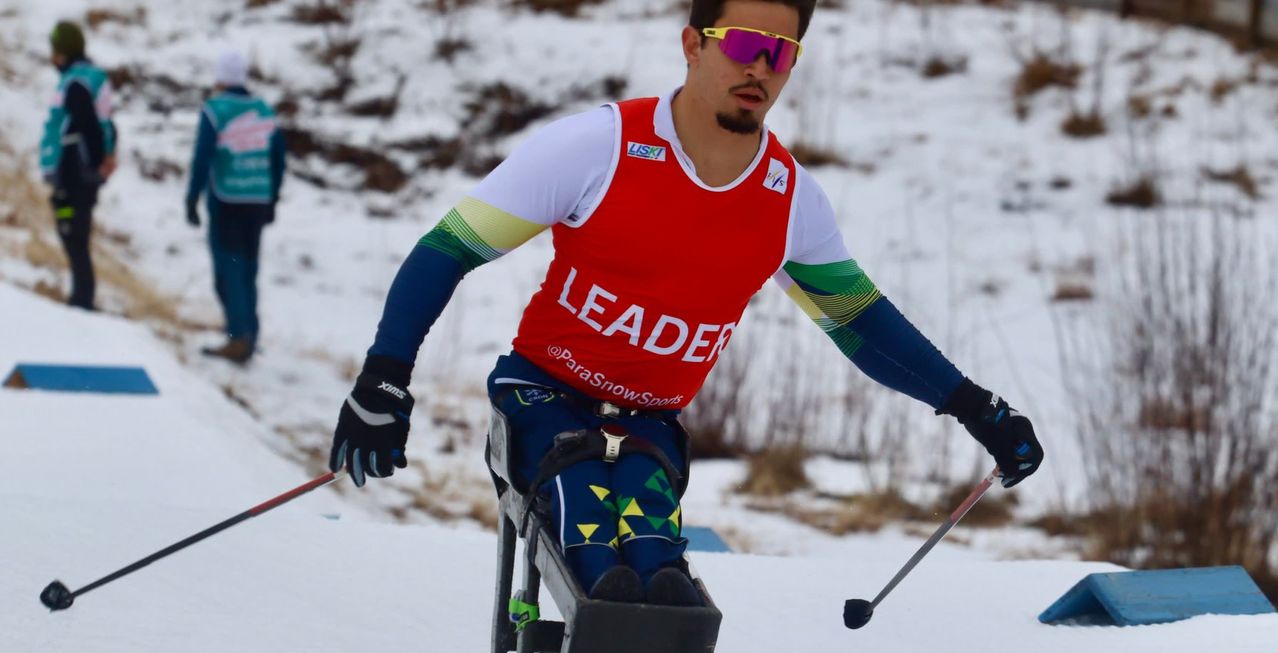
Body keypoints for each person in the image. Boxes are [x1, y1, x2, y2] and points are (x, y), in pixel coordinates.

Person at [329, 0, 1042, 607]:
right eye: (741, 45)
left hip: (650, 420)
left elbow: (860, 324)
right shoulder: (597, 146)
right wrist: (383, 378)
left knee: (656, 563)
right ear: (692, 46)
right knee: (587, 535)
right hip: (541, 398)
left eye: (780, 53)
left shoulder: (789, 200)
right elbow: (449, 247)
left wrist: (975, 406)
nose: (759, 67)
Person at [186, 50, 286, 364]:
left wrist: (192, 197)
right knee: (248, 270)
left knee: (228, 270)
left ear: (220, 78)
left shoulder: (215, 110)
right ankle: (249, 334)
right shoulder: (264, 111)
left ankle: (238, 337)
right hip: (257, 200)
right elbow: (278, 159)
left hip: (226, 199)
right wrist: (272, 198)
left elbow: (202, 157)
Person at [40, 21, 117, 311]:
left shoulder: (77, 82)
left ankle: (82, 300)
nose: (52, 57)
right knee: (74, 231)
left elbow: (87, 126)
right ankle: (81, 295)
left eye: (55, 51)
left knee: (73, 231)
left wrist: (97, 163)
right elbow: (106, 122)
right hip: (80, 172)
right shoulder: (90, 77)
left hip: (74, 172)